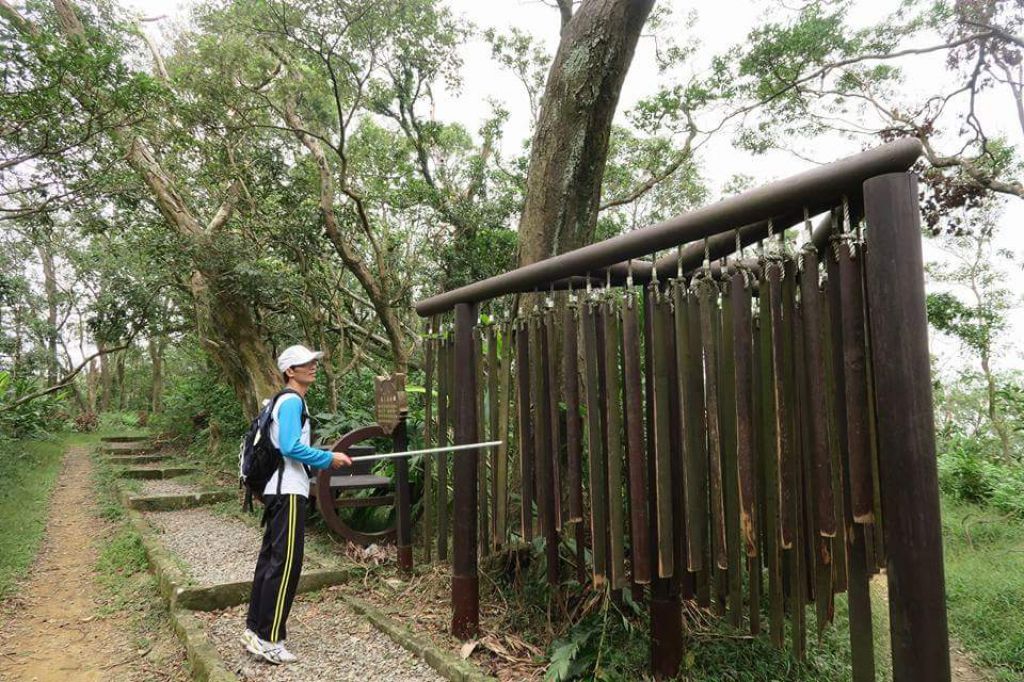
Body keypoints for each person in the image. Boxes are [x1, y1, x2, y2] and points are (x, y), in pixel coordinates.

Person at [241, 344, 351, 664]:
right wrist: (328, 458)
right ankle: (270, 638)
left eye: (314, 361)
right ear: (291, 371)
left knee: (271, 561)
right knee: (286, 564)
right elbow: (289, 447)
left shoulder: (284, 401)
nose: (313, 366)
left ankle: (255, 630)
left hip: (279, 491)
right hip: (288, 491)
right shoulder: (291, 401)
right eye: (306, 363)